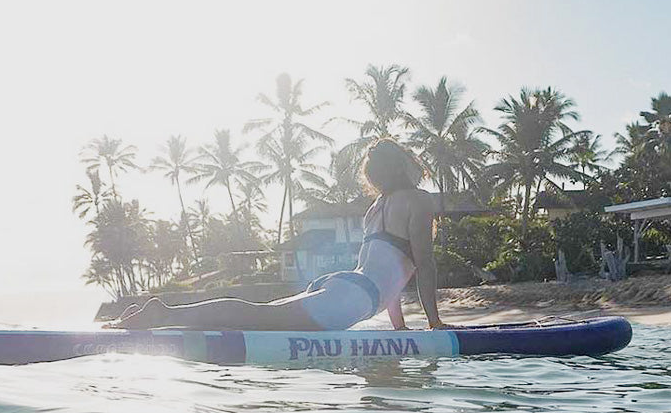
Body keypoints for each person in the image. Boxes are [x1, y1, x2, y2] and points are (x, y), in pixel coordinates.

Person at [108, 137, 443, 331]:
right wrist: (435, 325)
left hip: (343, 285)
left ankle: (168, 316)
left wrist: (400, 331)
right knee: (259, 318)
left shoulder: (377, 209)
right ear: (404, 165)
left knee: (262, 313)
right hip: (353, 299)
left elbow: (388, 274)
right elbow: (423, 266)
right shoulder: (418, 200)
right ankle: (165, 314)